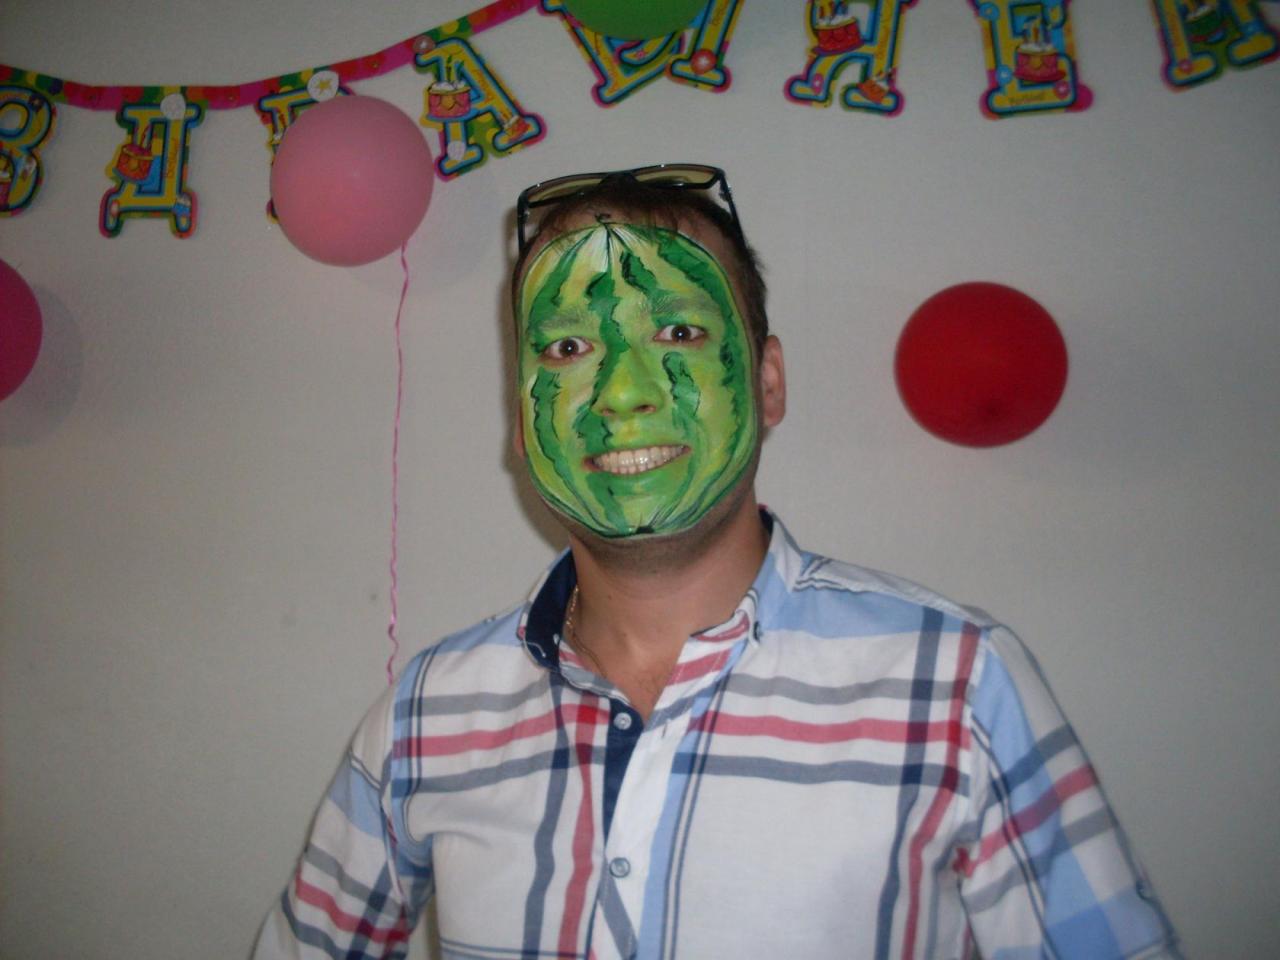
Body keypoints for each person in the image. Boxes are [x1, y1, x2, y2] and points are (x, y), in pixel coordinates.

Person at [253, 164, 1180, 959]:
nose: (620, 393)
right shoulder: (425, 714)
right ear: (520, 411)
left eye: (679, 333)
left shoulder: (959, 684)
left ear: (769, 382)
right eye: (568, 347)